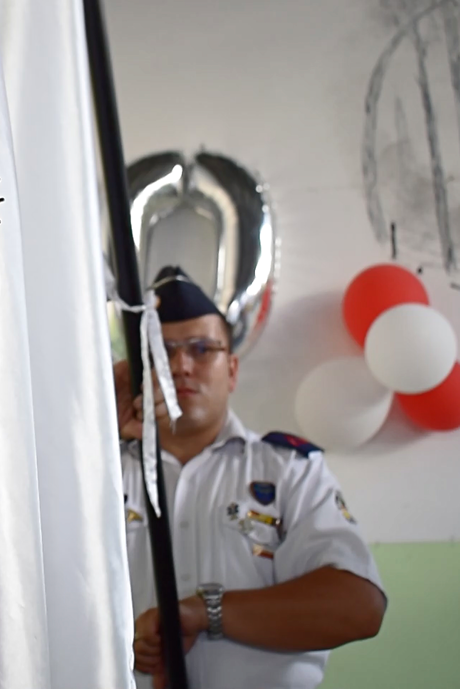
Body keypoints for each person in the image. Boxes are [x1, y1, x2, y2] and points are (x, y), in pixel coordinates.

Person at [116, 266, 386, 689]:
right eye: (161, 352)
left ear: (233, 370)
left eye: (202, 349)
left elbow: (358, 606)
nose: (181, 366)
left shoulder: (288, 470)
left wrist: (205, 612)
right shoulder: (102, 476)